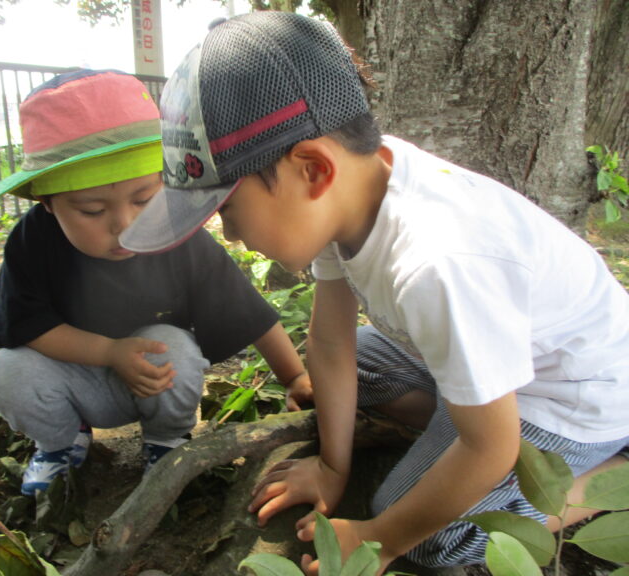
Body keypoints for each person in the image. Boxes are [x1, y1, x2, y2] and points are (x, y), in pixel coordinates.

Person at [118, 12, 629, 575]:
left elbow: (490, 449)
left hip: (569, 398)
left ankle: (610, 482)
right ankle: (464, 411)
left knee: (437, 538)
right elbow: (332, 345)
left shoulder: (438, 261)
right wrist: (333, 468)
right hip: (498, 361)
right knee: (343, 373)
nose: (231, 235)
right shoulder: (353, 188)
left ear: (312, 170)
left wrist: (381, 538)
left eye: (229, 211)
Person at [0, 69, 312, 497]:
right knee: (4, 371)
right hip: (75, 381)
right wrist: (108, 352)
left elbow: (248, 314)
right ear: (48, 203)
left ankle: (166, 439)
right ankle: (61, 443)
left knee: (169, 343)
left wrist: (294, 378)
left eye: (144, 200)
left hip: (154, 383)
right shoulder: (31, 241)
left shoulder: (180, 236)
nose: (125, 224)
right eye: (92, 210)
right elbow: (27, 325)